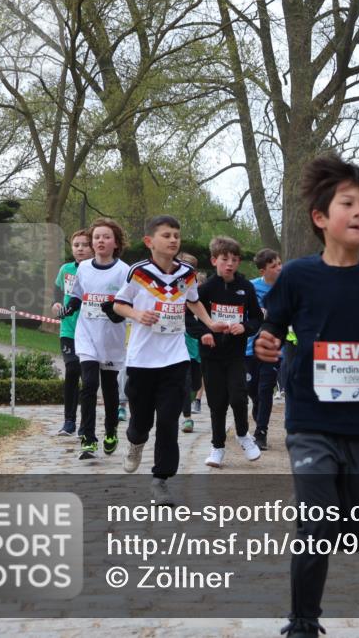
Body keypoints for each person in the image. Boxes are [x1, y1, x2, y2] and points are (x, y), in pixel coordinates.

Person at [253, 153, 359, 638]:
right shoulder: (297, 276)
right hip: (309, 417)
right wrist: (265, 342)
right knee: (317, 523)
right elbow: (272, 326)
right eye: (348, 203)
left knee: (356, 529)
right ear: (321, 217)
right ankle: (303, 621)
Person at [112, 215, 229, 505]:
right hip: (142, 359)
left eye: (176, 235)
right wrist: (137, 314)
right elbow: (119, 304)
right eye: (166, 235)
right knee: (141, 422)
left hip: (175, 359)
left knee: (168, 421)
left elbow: (193, 300)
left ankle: (160, 480)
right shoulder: (139, 272)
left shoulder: (187, 272)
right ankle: (136, 442)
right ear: (149, 241)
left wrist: (210, 323)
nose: (173, 240)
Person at [189, 236, 264, 468]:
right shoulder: (205, 289)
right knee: (217, 402)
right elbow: (188, 316)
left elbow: (257, 317)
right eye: (224, 259)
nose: (229, 264)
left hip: (235, 354)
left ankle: (243, 435)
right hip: (211, 355)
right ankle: (217, 447)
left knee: (239, 397)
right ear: (214, 261)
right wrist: (203, 333)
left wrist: (245, 327)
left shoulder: (246, 288)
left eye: (234, 260)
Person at [64, 218, 129, 460]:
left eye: (106, 237)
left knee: (110, 388)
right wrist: (70, 308)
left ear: (116, 243)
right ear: (92, 243)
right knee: (89, 384)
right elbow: (77, 295)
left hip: (111, 336)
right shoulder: (83, 268)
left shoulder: (124, 271)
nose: (101, 241)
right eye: (97, 237)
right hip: (87, 333)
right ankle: (88, 438)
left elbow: (129, 303)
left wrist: (115, 311)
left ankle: (111, 430)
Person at [52, 229, 92, 436]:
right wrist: (56, 304)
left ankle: (86, 424)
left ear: (92, 248)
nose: (80, 249)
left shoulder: (96, 270)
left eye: (85, 245)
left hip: (91, 331)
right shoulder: (65, 269)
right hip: (68, 329)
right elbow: (57, 292)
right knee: (72, 369)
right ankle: (69, 421)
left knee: (88, 377)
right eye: (76, 245)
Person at [246, 248, 283, 450]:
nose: (279, 268)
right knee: (253, 390)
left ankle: (261, 432)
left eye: (280, 263)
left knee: (266, 389)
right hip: (249, 347)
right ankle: (257, 407)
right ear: (263, 271)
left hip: (273, 348)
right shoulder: (251, 288)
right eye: (274, 266)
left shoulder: (286, 287)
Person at [177, 252, 204, 433]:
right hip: (178, 340)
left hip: (196, 341)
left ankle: (189, 399)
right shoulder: (172, 288)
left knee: (195, 382)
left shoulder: (198, 290)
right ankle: (187, 418)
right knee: (185, 380)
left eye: (190, 268)